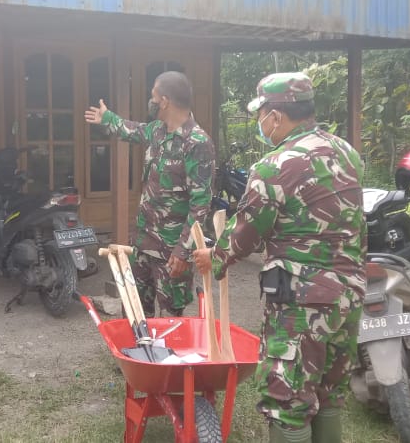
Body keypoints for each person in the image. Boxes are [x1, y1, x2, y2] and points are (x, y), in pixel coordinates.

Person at [192, 72, 366, 443]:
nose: (260, 123)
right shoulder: (347, 153)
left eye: (261, 114)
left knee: (287, 400)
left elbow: (246, 233)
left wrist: (214, 257)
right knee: (328, 392)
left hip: (301, 301)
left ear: (276, 115)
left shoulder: (274, 166)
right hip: (348, 294)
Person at [84, 71, 215, 317]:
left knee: (170, 322)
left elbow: (200, 205)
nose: (151, 101)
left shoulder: (197, 143)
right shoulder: (158, 131)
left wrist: (183, 251)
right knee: (135, 315)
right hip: (143, 243)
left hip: (171, 251)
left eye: (153, 96)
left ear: (164, 101)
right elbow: (133, 130)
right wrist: (107, 118)